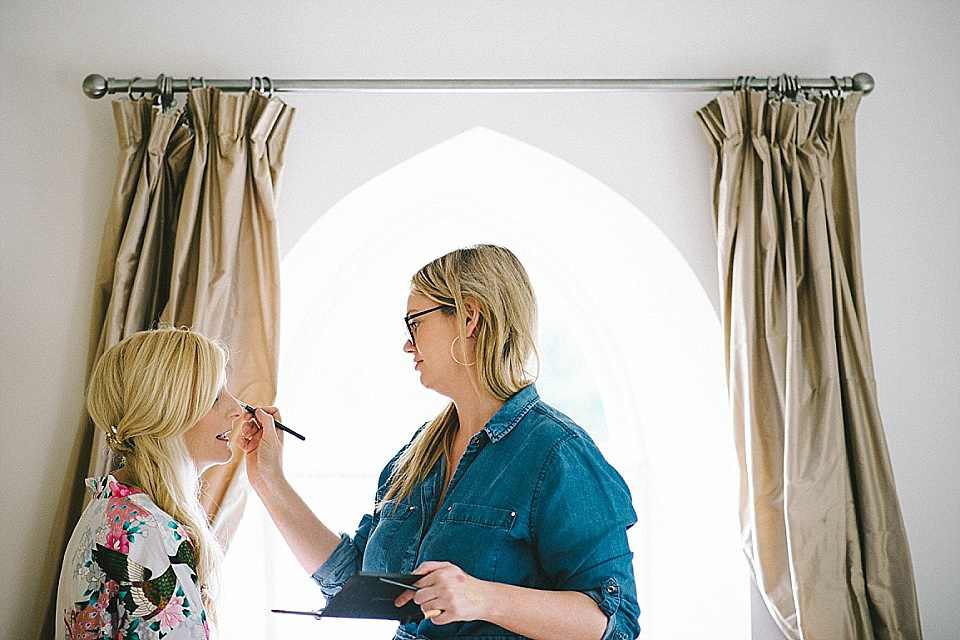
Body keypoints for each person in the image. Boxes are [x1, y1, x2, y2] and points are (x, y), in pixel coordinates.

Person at [241, 244, 640, 639]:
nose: (407, 342)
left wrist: (483, 598)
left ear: (470, 318)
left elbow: (614, 622)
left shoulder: (559, 454)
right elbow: (357, 583)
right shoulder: (418, 454)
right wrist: (269, 482)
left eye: (415, 322)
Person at [57, 327, 246, 640]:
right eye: (215, 398)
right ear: (170, 412)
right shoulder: (150, 533)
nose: (237, 409)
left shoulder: (110, 508)